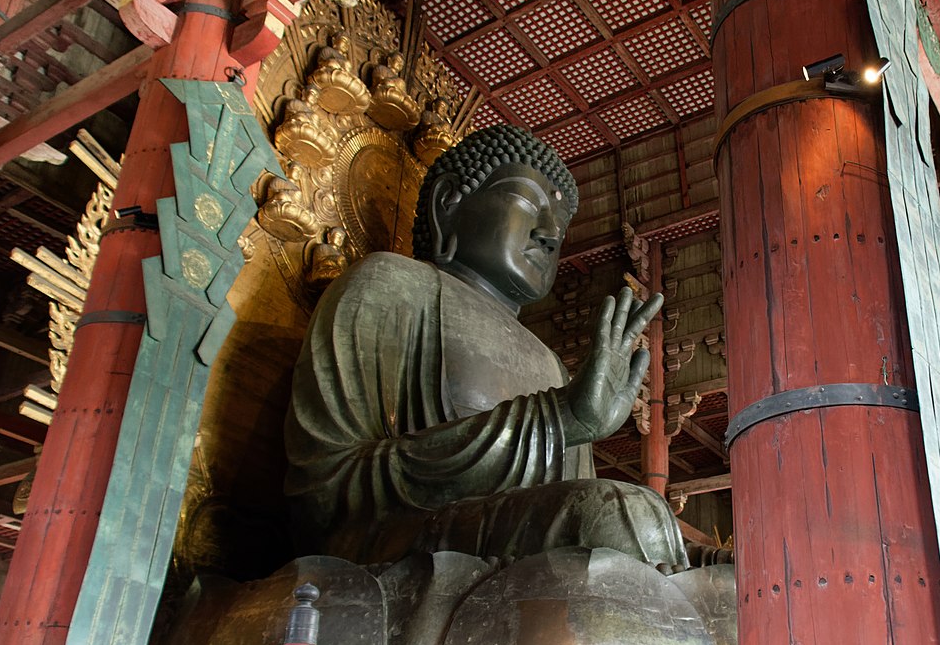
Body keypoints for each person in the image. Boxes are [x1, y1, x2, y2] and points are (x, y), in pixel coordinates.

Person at [284, 125, 691, 571]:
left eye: (559, 223)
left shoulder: (551, 364)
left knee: (723, 566)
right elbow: (324, 491)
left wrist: (567, 421)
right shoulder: (392, 285)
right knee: (618, 515)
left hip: (515, 537)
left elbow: (565, 500)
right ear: (448, 203)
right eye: (527, 201)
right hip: (400, 541)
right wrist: (558, 419)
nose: (550, 234)